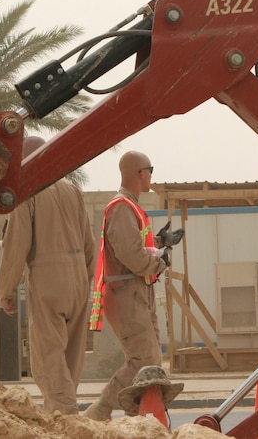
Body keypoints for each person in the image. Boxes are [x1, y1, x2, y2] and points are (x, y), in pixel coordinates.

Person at [0, 135, 95, 416]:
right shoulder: (72, 190)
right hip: (78, 278)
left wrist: (6, 292)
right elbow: (89, 242)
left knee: (48, 354)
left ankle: (65, 413)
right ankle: (60, 409)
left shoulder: (27, 193)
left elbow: (16, 247)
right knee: (71, 355)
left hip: (48, 278)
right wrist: (85, 280)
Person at [83, 150, 169, 422]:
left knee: (152, 360)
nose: (152, 176)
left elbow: (135, 245)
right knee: (144, 360)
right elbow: (131, 255)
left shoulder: (129, 206)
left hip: (137, 292)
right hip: (127, 293)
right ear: (140, 173)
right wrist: (160, 261)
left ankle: (138, 415)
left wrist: (159, 242)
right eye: (151, 169)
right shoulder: (121, 207)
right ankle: (100, 411)